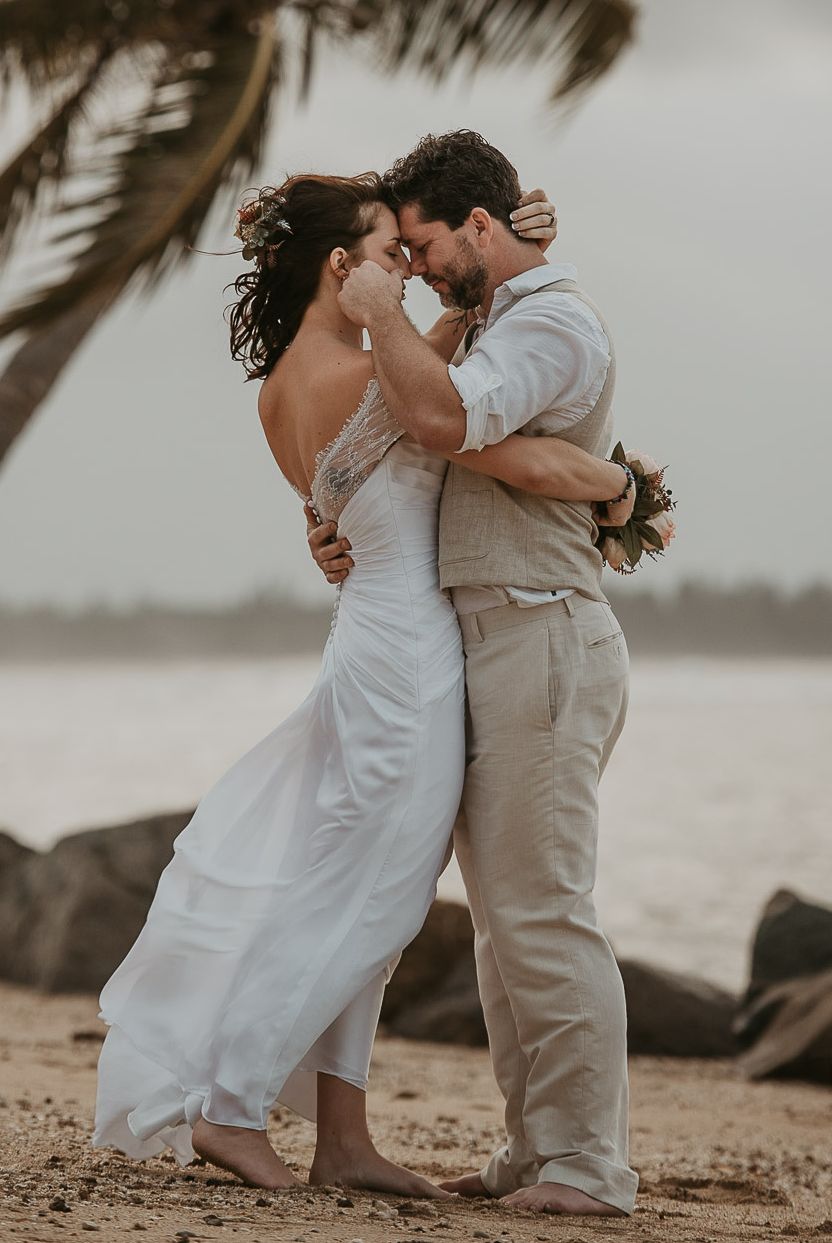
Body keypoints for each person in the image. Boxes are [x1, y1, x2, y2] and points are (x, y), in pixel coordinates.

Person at [93, 171, 633, 1197]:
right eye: (390, 256)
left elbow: (359, 472)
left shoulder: (283, 388)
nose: (407, 273)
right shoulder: (368, 380)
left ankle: (341, 1139)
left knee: (364, 888)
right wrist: (620, 483)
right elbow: (451, 420)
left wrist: (501, 245)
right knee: (374, 898)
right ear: (342, 268)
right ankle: (232, 1106)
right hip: (410, 655)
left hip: (369, 639)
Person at [311, 130, 638, 1217]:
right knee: (503, 927)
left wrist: (381, 317)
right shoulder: (499, 312)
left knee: (543, 911)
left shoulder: (548, 321)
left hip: (542, 633)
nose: (408, 264)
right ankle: (533, 1150)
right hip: (495, 636)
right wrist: (335, 524)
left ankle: (589, 1167)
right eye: (397, 249)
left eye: (421, 242)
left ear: (480, 228)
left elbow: (444, 417)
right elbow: (411, 438)